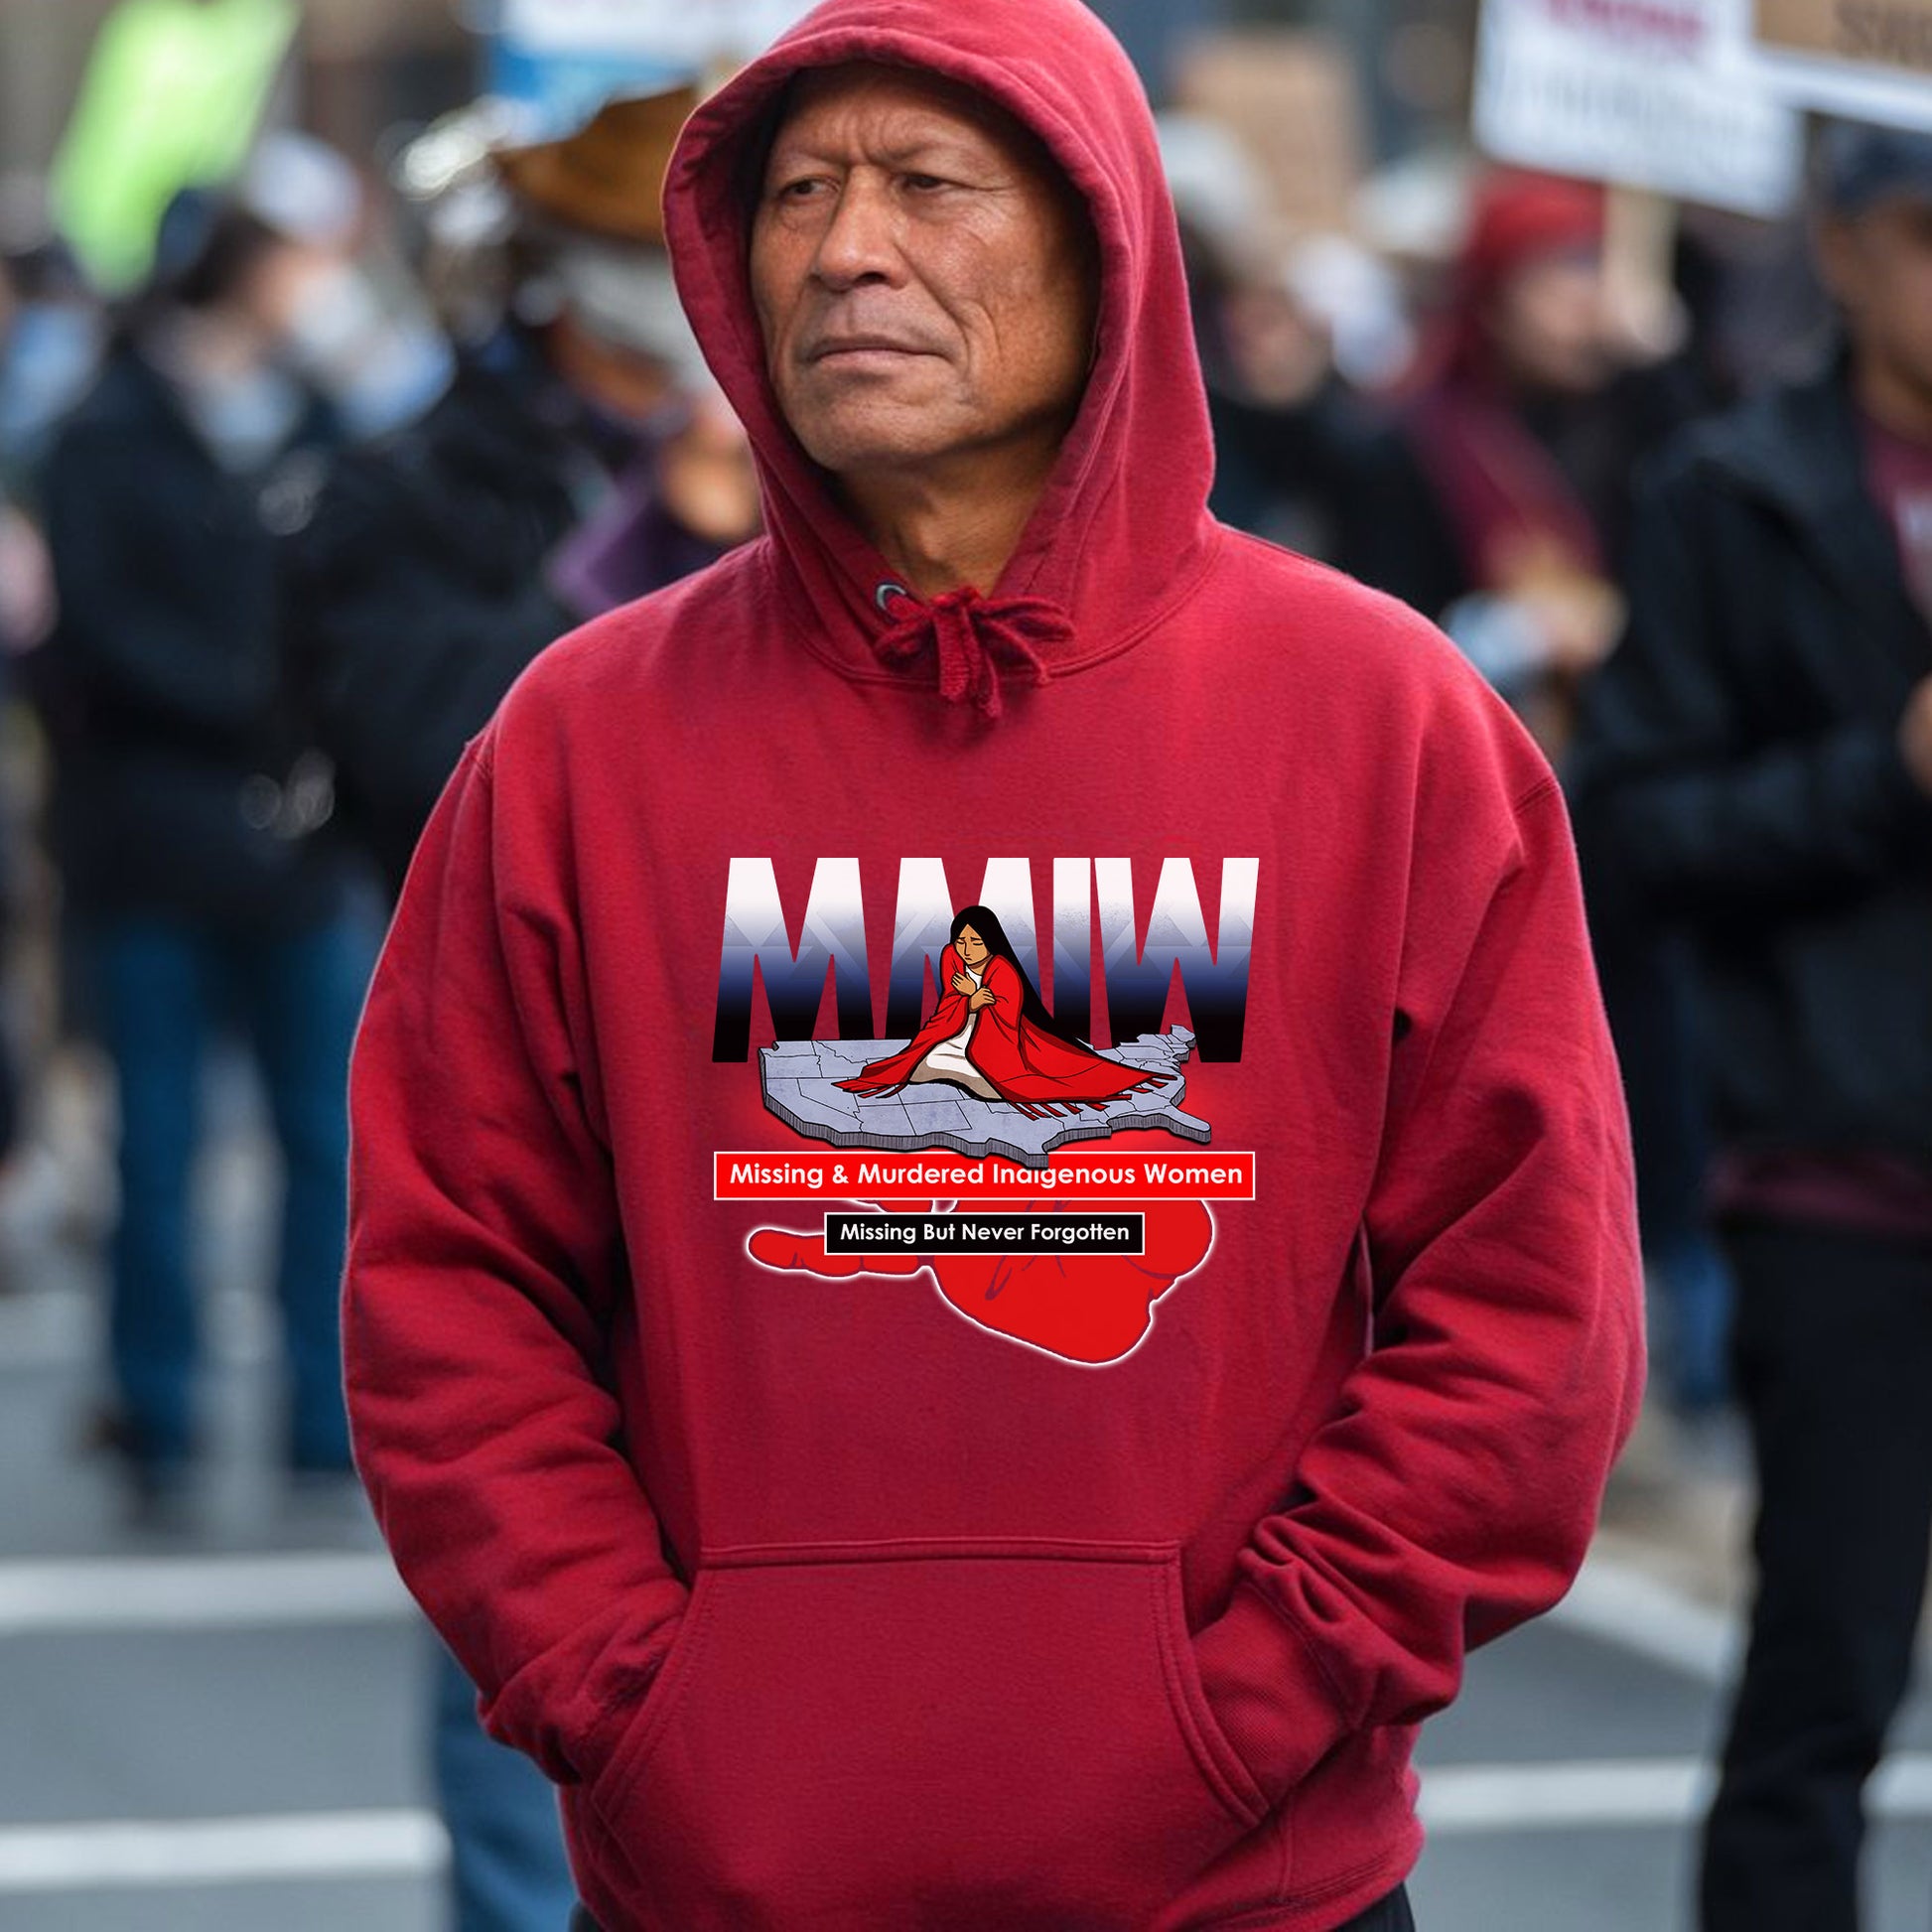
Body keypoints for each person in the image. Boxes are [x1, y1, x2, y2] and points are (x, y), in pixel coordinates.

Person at [341, 3, 1646, 1928]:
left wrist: (1259, 1695)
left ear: (1103, 242)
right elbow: (451, 1283)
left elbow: (1530, 1308)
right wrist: (628, 1695)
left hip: (1246, 1881)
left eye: (928, 185)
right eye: (795, 194)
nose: (846, 248)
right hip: (726, 1871)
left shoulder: (1378, 717)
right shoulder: (578, 740)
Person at [1571, 120, 1932, 1932]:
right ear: (1845, 247)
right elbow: (1633, 830)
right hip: (1846, 1171)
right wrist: (1887, 776)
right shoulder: (1736, 488)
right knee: (1823, 1680)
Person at [38, 160, 382, 1528]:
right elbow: (96, 638)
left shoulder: (321, 416)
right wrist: (261, 707)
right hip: (153, 840)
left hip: (302, 853)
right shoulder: (104, 431)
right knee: (160, 1141)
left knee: (326, 1140)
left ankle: (321, 1415)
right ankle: (159, 1414)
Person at [283, 84, 759, 898]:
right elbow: (426, 760)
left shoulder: (776, 467)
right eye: (662, 253)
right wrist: (645, 543)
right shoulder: (409, 486)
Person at [836, 905, 1177, 1115]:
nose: (967, 949)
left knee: (990, 1081)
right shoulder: (949, 957)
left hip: (997, 1043)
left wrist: (978, 999)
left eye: (975, 942)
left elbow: (1006, 1021)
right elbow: (948, 1005)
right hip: (957, 1031)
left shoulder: (1003, 970)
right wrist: (972, 999)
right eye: (961, 941)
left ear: (991, 942)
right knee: (921, 1064)